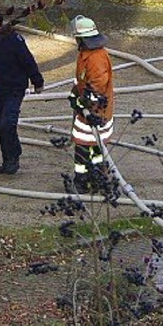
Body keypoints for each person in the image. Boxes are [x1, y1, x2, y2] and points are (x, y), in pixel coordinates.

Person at [0, 12, 44, 174]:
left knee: (7, 123)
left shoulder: (13, 40)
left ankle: (13, 157)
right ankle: (7, 158)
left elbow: (27, 60)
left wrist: (37, 81)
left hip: (14, 88)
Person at [67, 15, 114, 194]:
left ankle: (83, 182)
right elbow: (81, 79)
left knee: (84, 148)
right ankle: (97, 180)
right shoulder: (86, 54)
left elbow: (97, 88)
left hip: (94, 114)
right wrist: (74, 93)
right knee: (94, 149)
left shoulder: (96, 58)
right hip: (89, 111)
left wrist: (81, 103)